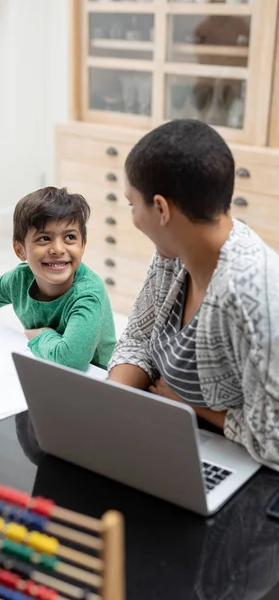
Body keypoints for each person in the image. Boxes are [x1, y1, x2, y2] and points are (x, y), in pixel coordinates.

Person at [108, 119, 279, 470]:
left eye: (132, 205)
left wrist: (190, 406)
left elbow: (273, 440)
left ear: (161, 209)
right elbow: (139, 337)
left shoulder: (250, 293)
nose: (134, 218)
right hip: (175, 434)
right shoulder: (175, 251)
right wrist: (109, 402)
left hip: (240, 466)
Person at [0, 186, 116, 371]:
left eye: (70, 237)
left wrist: (42, 335)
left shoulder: (88, 294)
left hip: (98, 377)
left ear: (83, 245)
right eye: (44, 238)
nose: (58, 249)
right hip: (45, 365)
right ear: (19, 249)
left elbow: (71, 360)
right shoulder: (21, 278)